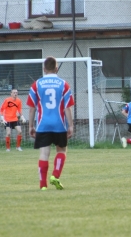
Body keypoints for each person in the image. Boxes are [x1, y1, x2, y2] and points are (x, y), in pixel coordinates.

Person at [26, 56, 74, 191]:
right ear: (56, 68)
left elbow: (32, 108)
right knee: (62, 150)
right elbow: (67, 108)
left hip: (43, 125)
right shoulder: (64, 84)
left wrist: (30, 126)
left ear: (44, 69)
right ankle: (55, 176)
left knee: (44, 154)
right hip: (59, 124)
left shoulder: (36, 84)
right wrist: (70, 125)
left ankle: (43, 185)